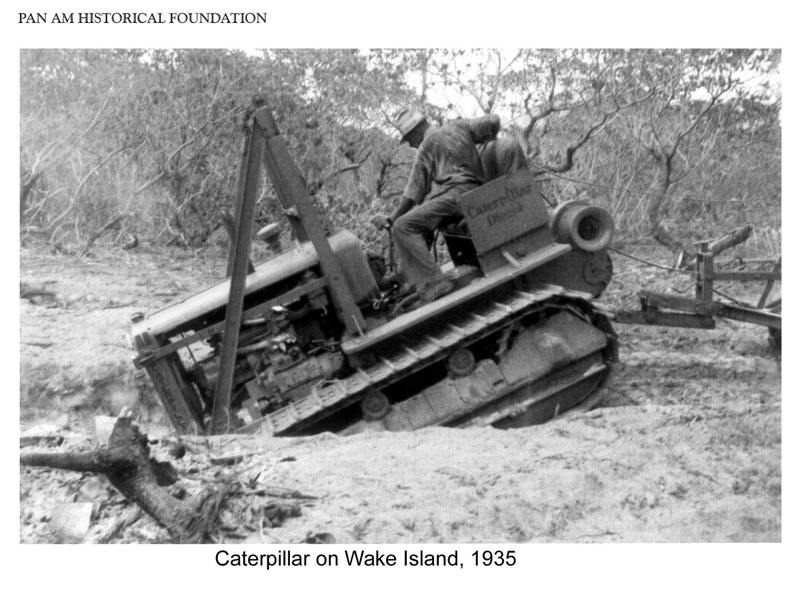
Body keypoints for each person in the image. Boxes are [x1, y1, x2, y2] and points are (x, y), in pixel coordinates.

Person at [381, 107, 526, 303]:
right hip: (473, 191)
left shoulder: (426, 146)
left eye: (409, 139)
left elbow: (412, 193)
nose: (411, 144)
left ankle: (435, 281)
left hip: (457, 194)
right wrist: (489, 138)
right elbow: (493, 120)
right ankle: (414, 278)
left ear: (415, 131)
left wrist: (392, 218)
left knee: (404, 225)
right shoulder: (458, 126)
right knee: (422, 219)